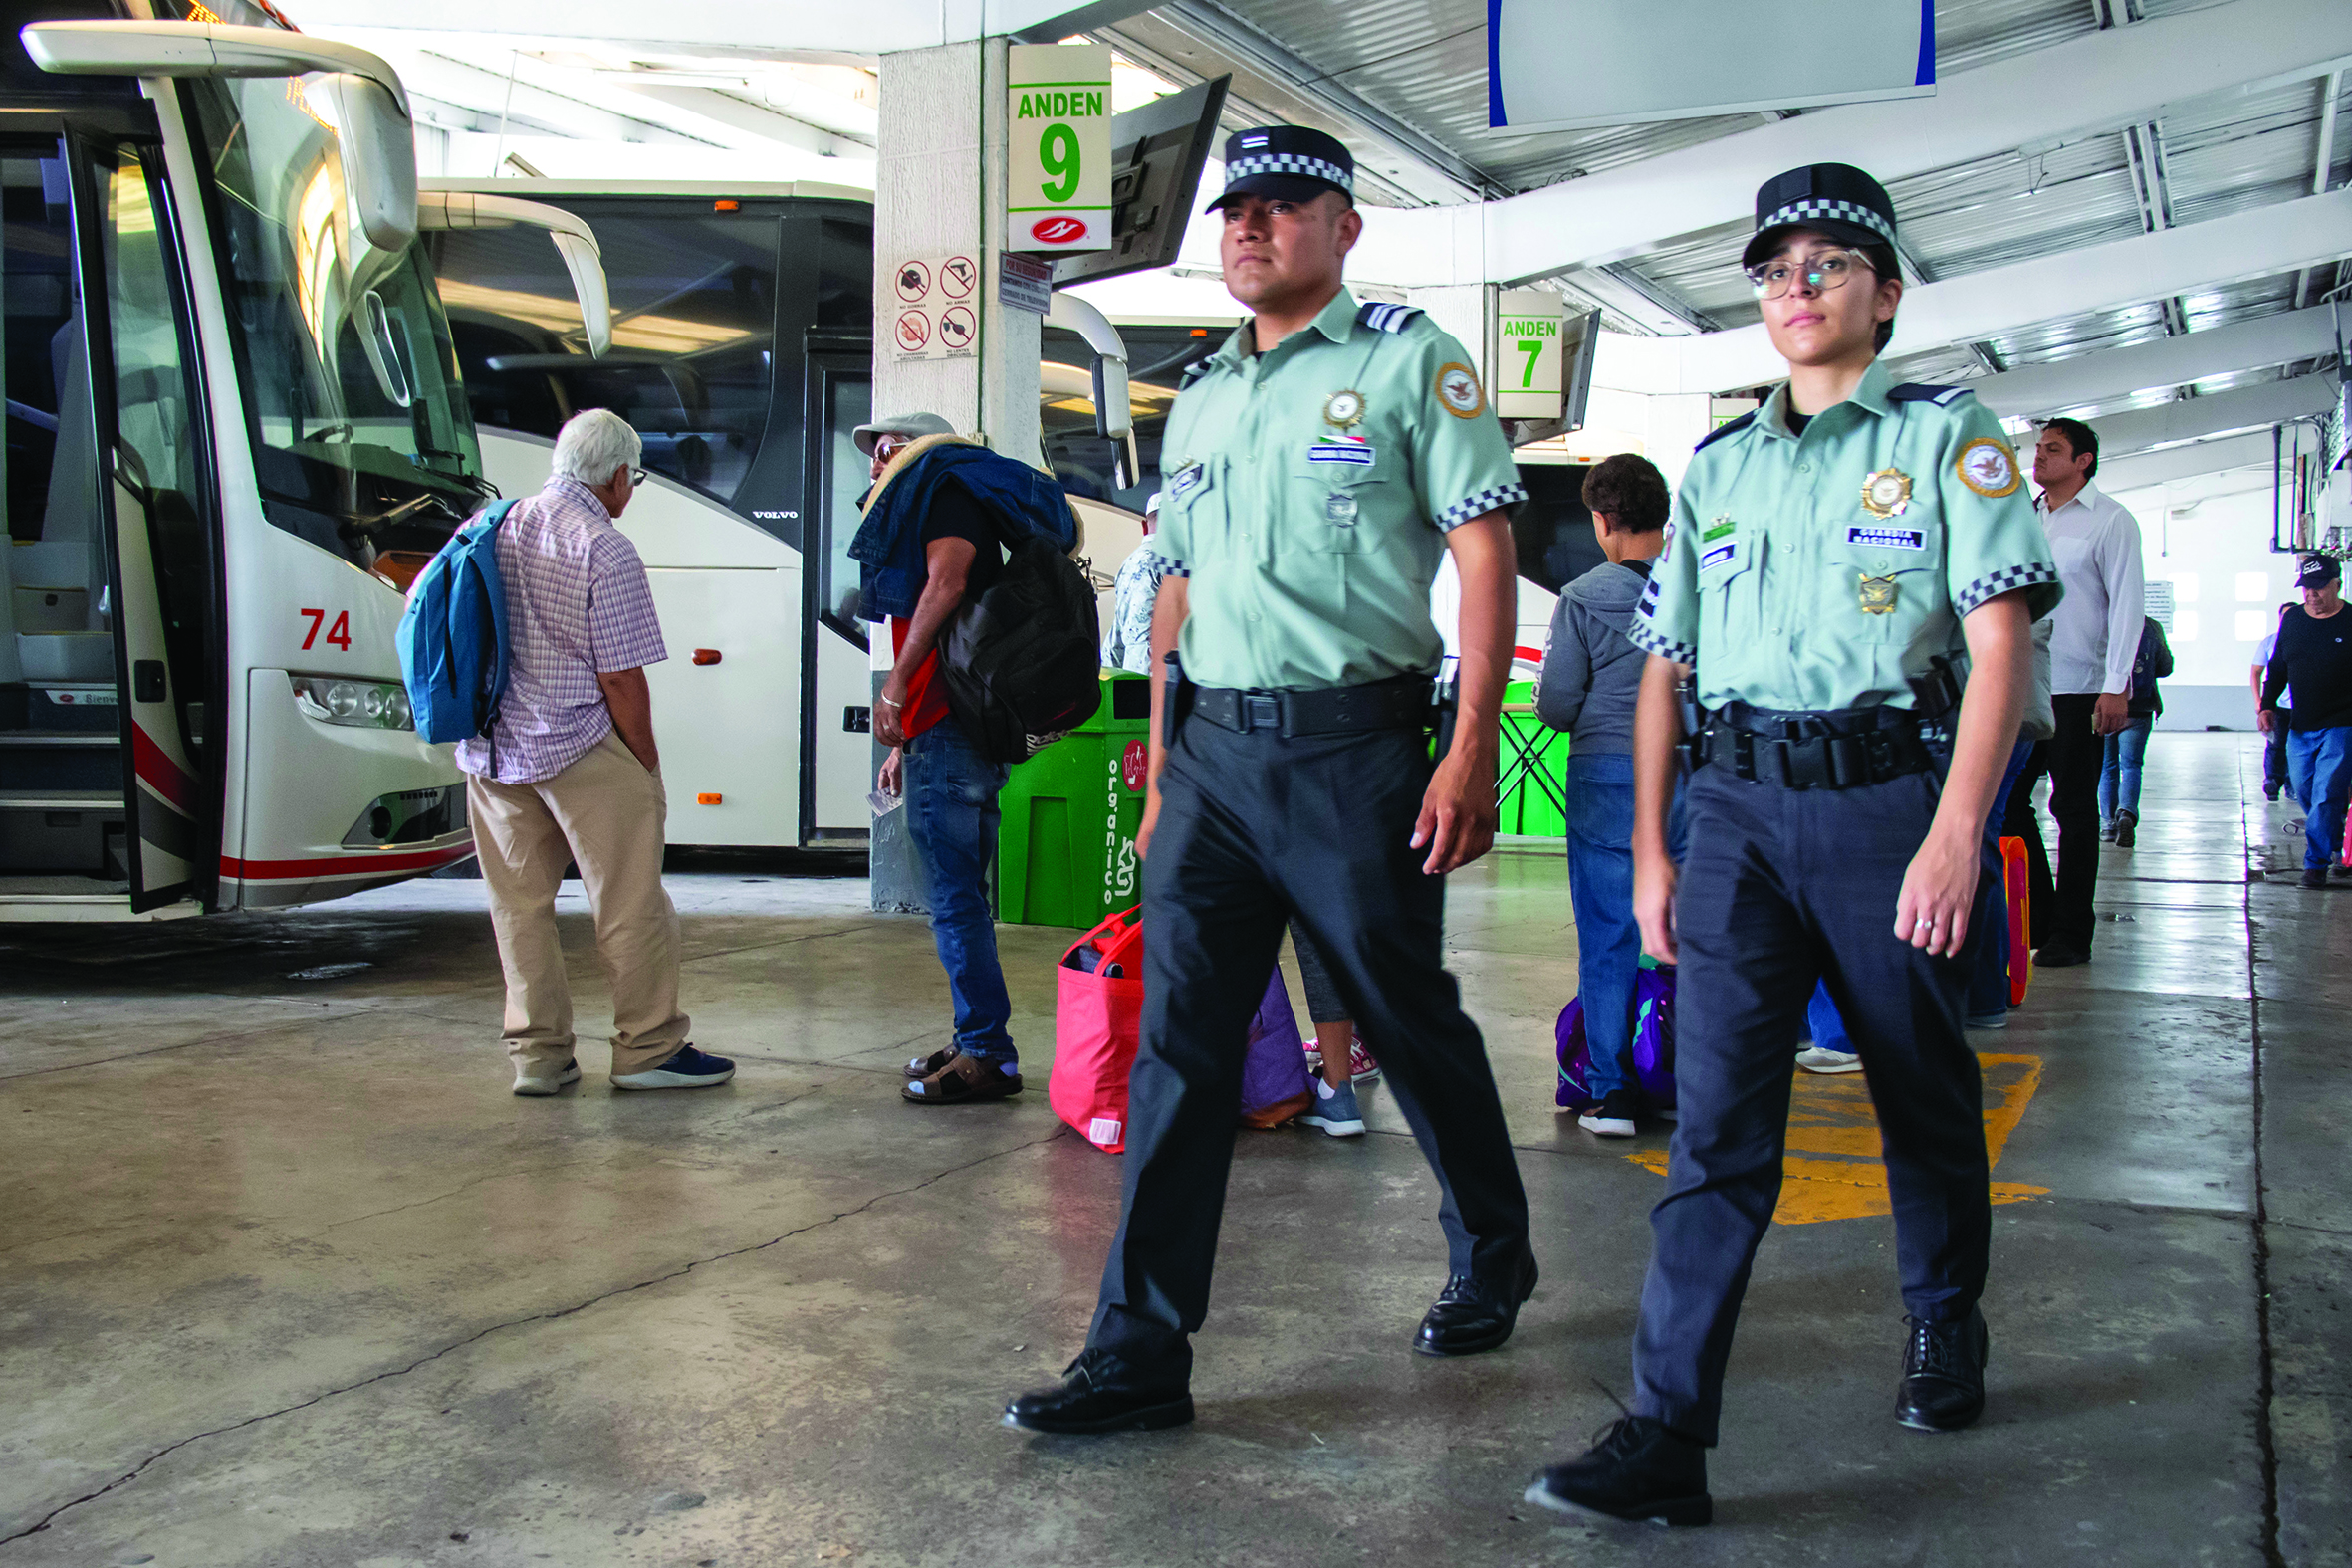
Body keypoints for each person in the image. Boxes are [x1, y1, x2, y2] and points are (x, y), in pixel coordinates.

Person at [1525, 163, 2060, 1526]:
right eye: (1774, 270)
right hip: (1737, 819)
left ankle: (1943, 1317)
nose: (1795, 289)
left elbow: (1998, 644)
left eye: (1827, 265)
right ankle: (1662, 1430)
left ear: (1883, 292)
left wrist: (1955, 834)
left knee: (1918, 1091)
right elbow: (1662, 670)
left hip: (1888, 805)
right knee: (1713, 1125)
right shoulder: (1719, 469)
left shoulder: (1951, 442)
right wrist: (1650, 850)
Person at [1005, 125, 1536, 1436]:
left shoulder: (1411, 360)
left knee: (1401, 1011)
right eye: (1234, 208)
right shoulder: (1200, 395)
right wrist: (1168, 759)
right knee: (1179, 1042)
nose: (1249, 226)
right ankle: (1136, 1350)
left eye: (1282, 205)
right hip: (1217, 762)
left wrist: (1466, 747)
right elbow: (1173, 583)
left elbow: (1483, 553)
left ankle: (1492, 1240)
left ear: (1343, 228)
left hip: (1355, 749)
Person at [457, 408, 734, 1097]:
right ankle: (649, 1048)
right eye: (633, 478)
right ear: (616, 476)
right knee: (631, 904)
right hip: (582, 745)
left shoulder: (487, 526)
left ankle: (539, 1059)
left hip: (494, 750)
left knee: (518, 908)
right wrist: (645, 761)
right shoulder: (603, 546)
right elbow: (620, 676)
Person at [1107, 493, 1383, 1120]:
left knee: (1210, 930)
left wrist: (1161, 779)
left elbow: (1168, 670)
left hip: (1227, 766)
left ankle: (1208, 1086)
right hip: (1321, 762)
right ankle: (1338, 1093)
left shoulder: (1201, 579)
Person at [856, 411, 1023, 1105]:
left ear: (916, 449)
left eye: (885, 448)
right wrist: (908, 743)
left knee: (955, 897)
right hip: (943, 730)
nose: (875, 463)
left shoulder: (946, 493)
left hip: (952, 728)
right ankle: (977, 1037)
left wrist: (895, 689)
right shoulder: (941, 498)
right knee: (960, 896)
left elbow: (946, 584)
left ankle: (987, 1050)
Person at [1534, 452, 1683, 1137]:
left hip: (1606, 772)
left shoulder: (1584, 597)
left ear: (1602, 520)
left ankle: (1612, 1091)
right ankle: (1689, 1078)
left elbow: (1559, 704)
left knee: (1607, 933)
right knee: (1690, 930)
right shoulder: (1696, 590)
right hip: (1689, 772)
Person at [2026, 416, 2142, 968]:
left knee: (2072, 808)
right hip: (2022, 685)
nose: (2040, 457)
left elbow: (2127, 607)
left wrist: (2116, 686)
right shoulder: (2026, 518)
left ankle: (2071, 933)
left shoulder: (2111, 522)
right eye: (2038, 448)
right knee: (2005, 806)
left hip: (2078, 685)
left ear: (2083, 461)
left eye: (2053, 449)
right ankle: (2038, 917)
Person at [2259, 555, 2352, 890]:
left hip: (2343, 723)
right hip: (2301, 724)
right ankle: (2335, 839)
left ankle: (2315, 865)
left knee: (2327, 792)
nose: (2312, 596)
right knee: (2304, 790)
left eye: (2319, 589)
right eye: (2306, 589)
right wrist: (2266, 705)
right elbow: (2278, 668)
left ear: (2337, 585)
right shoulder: (2294, 620)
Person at [2100, 615, 2173, 848]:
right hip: (2140, 707)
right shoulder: (2151, 626)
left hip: (2106, 705)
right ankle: (2126, 815)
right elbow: (2165, 667)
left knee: (2106, 767)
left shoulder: (2105, 620)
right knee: (2131, 765)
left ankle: (2108, 824)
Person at [1101, 492, 1168, 676]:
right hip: (1165, 676)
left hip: (1132, 675)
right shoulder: (1176, 563)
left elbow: (1119, 627)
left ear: (1144, 526)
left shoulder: (1128, 564)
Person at [2253, 602, 2294, 802]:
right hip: (2279, 706)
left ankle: (2292, 784)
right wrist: (2261, 703)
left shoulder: (2305, 639)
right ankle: (2272, 782)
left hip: (2300, 706)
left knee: (2296, 747)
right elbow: (2258, 672)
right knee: (2276, 744)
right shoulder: (2270, 642)